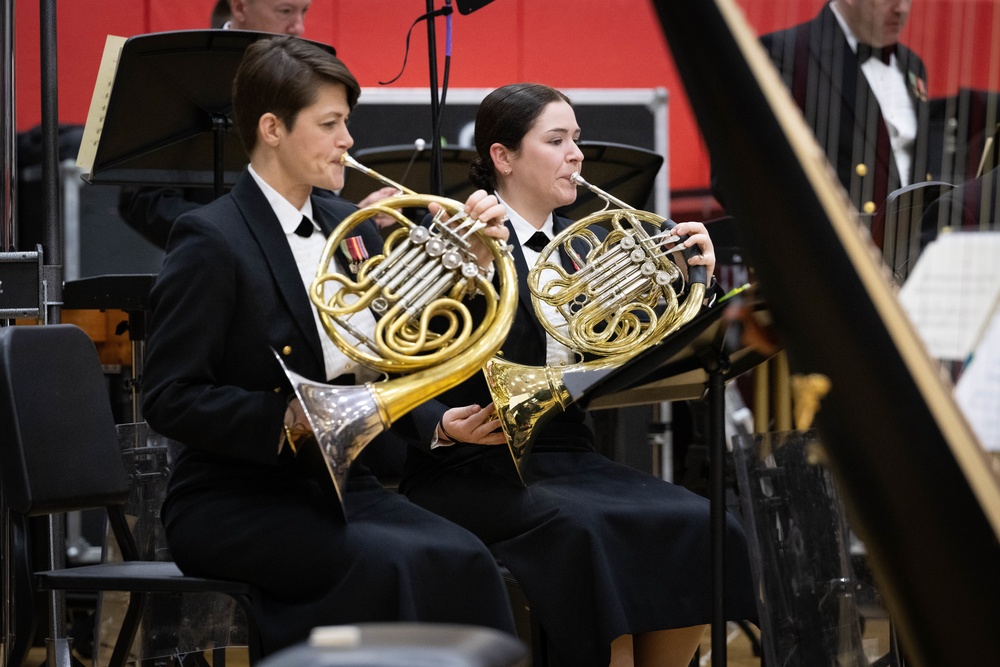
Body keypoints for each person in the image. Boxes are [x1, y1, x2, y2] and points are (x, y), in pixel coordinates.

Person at [141, 35, 516, 655]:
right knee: (387, 566)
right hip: (234, 497)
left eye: (347, 123)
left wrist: (463, 266)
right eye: (331, 124)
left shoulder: (347, 225)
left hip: (343, 484)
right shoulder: (210, 238)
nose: (348, 140)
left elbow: (378, 353)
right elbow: (169, 396)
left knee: (464, 558)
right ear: (273, 129)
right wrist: (282, 417)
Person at [400, 83, 758, 667]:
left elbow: (658, 351)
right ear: (503, 157)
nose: (577, 155)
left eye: (578, 141)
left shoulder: (583, 251)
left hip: (568, 456)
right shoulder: (456, 242)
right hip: (470, 465)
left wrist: (698, 283)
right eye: (557, 140)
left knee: (700, 521)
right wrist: (441, 427)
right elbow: (394, 362)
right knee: (589, 533)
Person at [118, 0, 396, 248]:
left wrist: (349, 216)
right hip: (212, 264)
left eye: (304, 11)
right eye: (285, 10)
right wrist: (230, 233)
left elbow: (303, 183)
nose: (298, 26)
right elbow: (144, 201)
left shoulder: (301, 74)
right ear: (239, 7)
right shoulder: (178, 75)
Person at [751, 0, 932, 243]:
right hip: (835, 252)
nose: (901, 9)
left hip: (913, 248)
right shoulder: (786, 54)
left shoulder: (912, 64)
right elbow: (750, 174)